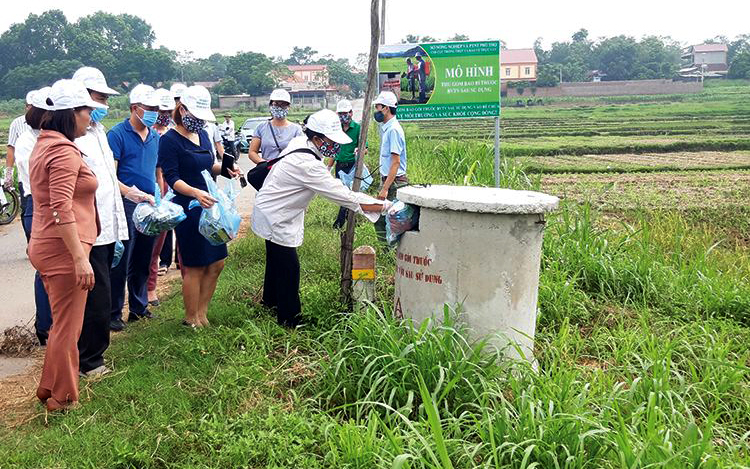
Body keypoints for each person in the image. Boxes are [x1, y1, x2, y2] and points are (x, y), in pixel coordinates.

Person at [252, 109, 386, 327]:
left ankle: (270, 301)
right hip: (276, 216)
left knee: (276, 260)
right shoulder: (308, 165)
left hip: (271, 209)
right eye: (332, 141)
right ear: (316, 139)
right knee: (289, 268)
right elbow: (346, 196)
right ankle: (290, 320)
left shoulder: (299, 144)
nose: (336, 146)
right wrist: (385, 206)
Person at [28, 79, 105, 411]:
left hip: (49, 244)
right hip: (63, 249)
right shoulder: (61, 150)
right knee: (68, 328)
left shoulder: (47, 142)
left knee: (62, 323)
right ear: (70, 113)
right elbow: (60, 207)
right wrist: (79, 258)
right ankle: (63, 398)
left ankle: (49, 386)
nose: (90, 116)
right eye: (87, 110)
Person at [158, 85, 237, 327]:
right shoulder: (169, 140)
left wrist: (226, 169)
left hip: (211, 206)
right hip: (188, 208)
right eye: (195, 116)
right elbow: (172, 178)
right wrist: (195, 193)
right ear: (182, 110)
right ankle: (191, 318)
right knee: (195, 265)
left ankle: (203, 313)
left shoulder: (203, 134)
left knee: (217, 262)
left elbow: (208, 165)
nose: (199, 122)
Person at [72, 66, 127, 377]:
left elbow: (108, 179)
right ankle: (88, 361)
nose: (103, 104)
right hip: (87, 230)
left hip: (106, 226)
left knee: (101, 295)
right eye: (99, 97)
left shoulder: (99, 133)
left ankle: (92, 355)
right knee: (95, 297)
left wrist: (131, 194)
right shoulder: (72, 140)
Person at [107, 84, 160, 331]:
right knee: (122, 258)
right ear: (134, 108)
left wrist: (157, 195)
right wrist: (129, 192)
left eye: (155, 109)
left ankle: (138, 308)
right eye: (148, 109)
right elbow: (110, 175)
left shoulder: (154, 136)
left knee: (143, 257)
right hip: (126, 203)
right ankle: (114, 312)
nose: (153, 113)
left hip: (148, 204)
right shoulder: (117, 135)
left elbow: (156, 171)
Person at [13, 87, 53, 345]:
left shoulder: (49, 137)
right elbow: (41, 182)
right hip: (38, 206)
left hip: (46, 205)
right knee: (46, 270)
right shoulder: (29, 142)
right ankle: (45, 327)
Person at [147, 88, 176, 306]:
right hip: (149, 189)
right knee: (147, 243)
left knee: (163, 237)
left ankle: (151, 286)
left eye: (167, 110)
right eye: (160, 110)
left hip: (169, 185)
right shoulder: (147, 133)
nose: (163, 114)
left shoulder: (173, 132)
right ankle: (146, 288)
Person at [372, 91, 408, 243]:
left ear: (386, 108)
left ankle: (389, 251)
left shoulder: (393, 130)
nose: (377, 111)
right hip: (389, 180)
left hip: (393, 182)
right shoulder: (387, 128)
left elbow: (396, 162)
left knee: (390, 219)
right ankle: (388, 250)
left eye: (378, 107)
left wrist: (385, 188)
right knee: (387, 218)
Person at [328, 99, 366, 229]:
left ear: (351, 113)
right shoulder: (336, 130)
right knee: (342, 195)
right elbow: (333, 151)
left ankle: (340, 224)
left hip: (352, 167)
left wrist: (359, 151)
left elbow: (364, 148)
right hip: (339, 167)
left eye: (345, 113)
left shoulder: (358, 128)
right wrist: (329, 167)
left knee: (349, 195)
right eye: (340, 114)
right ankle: (348, 221)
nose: (343, 116)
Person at [248, 88, 302, 163]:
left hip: (289, 171)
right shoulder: (261, 128)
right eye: (276, 104)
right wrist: (265, 164)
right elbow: (252, 152)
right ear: (271, 105)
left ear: (288, 106)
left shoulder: (297, 130)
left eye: (283, 104)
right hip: (267, 172)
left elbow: (301, 154)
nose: (279, 107)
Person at [3, 90, 35, 192]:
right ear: (26, 107)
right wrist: (9, 173)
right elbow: (11, 147)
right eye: (31, 106)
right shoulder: (17, 123)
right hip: (25, 178)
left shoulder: (49, 122)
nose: (34, 109)